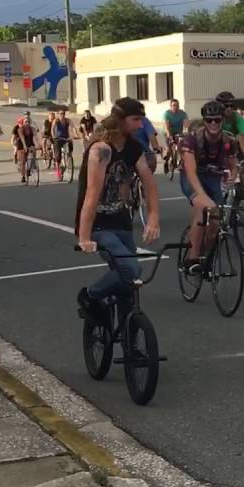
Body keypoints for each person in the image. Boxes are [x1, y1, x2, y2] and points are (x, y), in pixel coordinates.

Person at [75, 98, 161, 321]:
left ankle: (130, 343)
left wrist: (153, 218)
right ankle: (90, 296)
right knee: (132, 269)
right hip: (99, 225)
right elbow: (92, 194)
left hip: (122, 221)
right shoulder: (101, 150)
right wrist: (84, 237)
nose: (140, 125)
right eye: (135, 120)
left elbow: (150, 184)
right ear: (120, 120)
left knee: (128, 287)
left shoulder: (133, 147)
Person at [179, 101, 238, 271]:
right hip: (192, 177)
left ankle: (206, 255)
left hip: (212, 178)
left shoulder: (228, 140)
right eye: (209, 120)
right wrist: (202, 196)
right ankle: (192, 258)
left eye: (217, 120)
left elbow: (234, 164)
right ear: (204, 121)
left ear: (222, 121)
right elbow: (190, 171)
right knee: (202, 207)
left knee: (214, 224)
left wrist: (232, 177)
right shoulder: (192, 139)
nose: (213, 124)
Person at [214, 91, 244, 161]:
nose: (229, 109)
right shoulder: (214, 118)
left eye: (232, 106)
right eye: (226, 106)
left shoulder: (236, 116)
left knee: (239, 137)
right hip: (216, 145)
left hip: (233, 144)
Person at [12, 115, 38, 183]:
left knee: (34, 150)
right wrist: (24, 146)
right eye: (26, 122)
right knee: (23, 161)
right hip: (21, 145)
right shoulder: (20, 129)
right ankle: (23, 176)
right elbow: (22, 138)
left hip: (30, 144)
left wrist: (38, 144)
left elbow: (35, 137)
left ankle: (32, 164)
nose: (27, 123)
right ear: (23, 122)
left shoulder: (33, 129)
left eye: (29, 122)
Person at [52, 109, 73, 179]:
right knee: (58, 157)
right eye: (60, 113)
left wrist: (74, 135)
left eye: (63, 113)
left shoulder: (67, 120)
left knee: (70, 142)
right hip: (58, 139)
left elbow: (73, 127)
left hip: (65, 138)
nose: (62, 115)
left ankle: (69, 155)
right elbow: (52, 129)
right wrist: (54, 136)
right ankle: (58, 171)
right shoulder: (56, 121)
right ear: (58, 114)